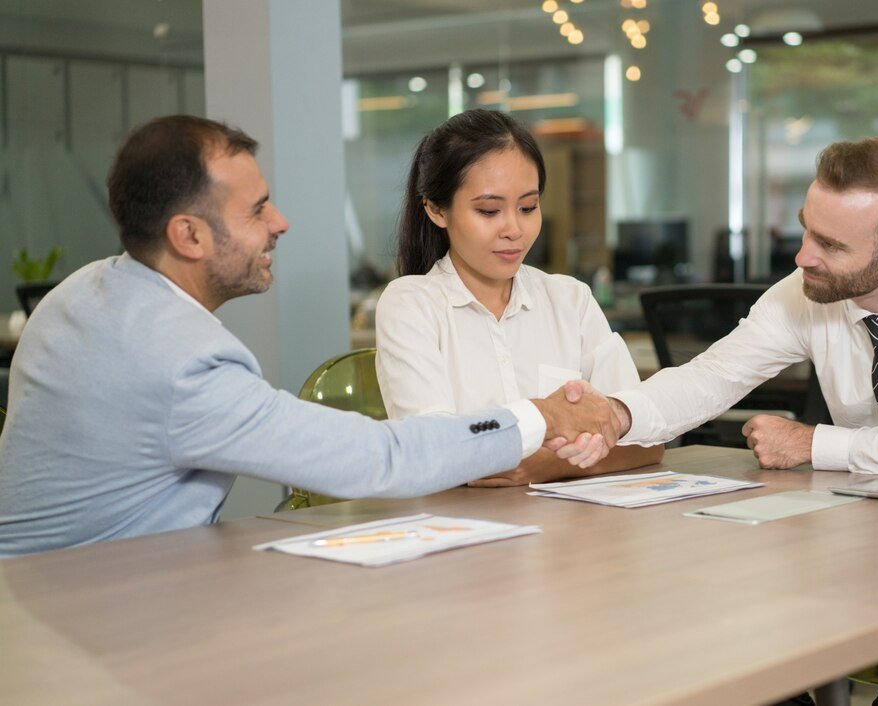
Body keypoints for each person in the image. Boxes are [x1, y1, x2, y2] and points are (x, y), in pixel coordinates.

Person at [0, 115, 618, 558]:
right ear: (188, 236)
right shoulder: (182, 365)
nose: (281, 223)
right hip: (83, 615)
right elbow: (378, 461)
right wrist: (540, 418)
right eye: (257, 210)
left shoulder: (78, 295)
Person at [597, 137, 878, 705]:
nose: (803, 255)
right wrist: (616, 413)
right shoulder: (804, 292)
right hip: (864, 531)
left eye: (829, 243)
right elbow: (710, 378)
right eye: (806, 229)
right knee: (737, 643)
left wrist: (812, 443)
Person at [375, 109, 663, 486]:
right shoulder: (411, 305)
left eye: (528, 207)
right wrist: (560, 438)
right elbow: (437, 452)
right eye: (489, 211)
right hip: (468, 532)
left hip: (576, 532)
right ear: (435, 209)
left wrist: (539, 465)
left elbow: (647, 441)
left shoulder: (570, 300)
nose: (514, 229)